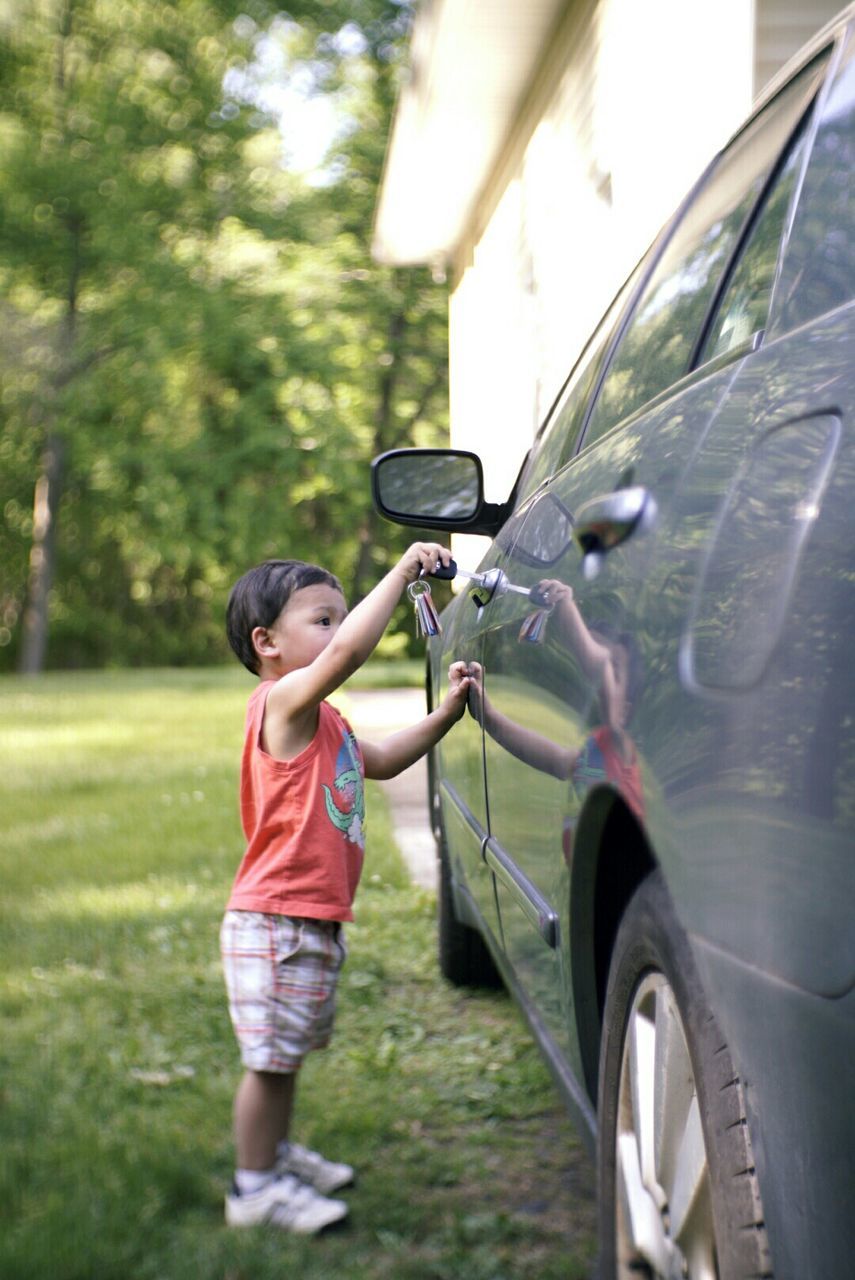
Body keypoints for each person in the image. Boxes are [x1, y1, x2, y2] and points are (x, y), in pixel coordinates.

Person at [221, 545, 470, 1234]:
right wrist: (399, 575)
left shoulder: (325, 721)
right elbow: (343, 661)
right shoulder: (282, 703)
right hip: (275, 918)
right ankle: (253, 1188)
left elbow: (381, 761)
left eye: (340, 617)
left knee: (286, 1055)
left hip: (307, 918)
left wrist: (446, 713)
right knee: (269, 1064)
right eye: (322, 619)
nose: (338, 633)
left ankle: (272, 1154)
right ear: (265, 643)